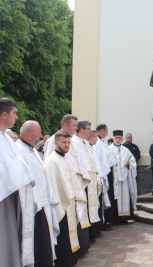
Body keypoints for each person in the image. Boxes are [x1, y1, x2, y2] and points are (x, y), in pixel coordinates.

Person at [17, 121, 60, 267]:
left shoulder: (32, 150)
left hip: (42, 201)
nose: (41, 136)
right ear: (30, 135)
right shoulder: (19, 151)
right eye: (39, 132)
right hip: (32, 204)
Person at [0, 97, 35, 266]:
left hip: (14, 193)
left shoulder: (6, 138)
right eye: (14, 113)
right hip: (4, 195)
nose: (16, 117)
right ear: (4, 114)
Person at [44, 131, 87, 267]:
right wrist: (68, 199)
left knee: (69, 234)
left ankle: (70, 260)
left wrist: (75, 198)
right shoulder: (52, 161)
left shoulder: (65, 159)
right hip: (60, 205)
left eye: (68, 142)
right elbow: (53, 186)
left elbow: (72, 182)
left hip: (69, 203)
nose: (67, 145)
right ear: (56, 143)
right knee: (63, 236)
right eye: (64, 142)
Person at [64, 120, 95, 254]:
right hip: (73, 184)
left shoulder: (81, 142)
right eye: (75, 126)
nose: (76, 128)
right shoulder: (73, 142)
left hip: (82, 181)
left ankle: (84, 243)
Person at [109, 130, 137, 223]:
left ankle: (124, 218)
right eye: (116, 138)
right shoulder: (108, 149)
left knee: (125, 196)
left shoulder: (126, 150)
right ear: (113, 138)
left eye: (119, 138)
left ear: (122, 139)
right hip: (114, 180)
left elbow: (133, 162)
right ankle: (114, 219)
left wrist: (129, 164)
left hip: (124, 179)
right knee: (114, 197)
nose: (117, 139)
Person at [93, 124, 113, 231]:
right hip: (99, 175)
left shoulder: (99, 142)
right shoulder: (97, 144)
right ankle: (101, 223)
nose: (107, 134)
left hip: (102, 174)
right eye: (106, 131)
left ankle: (102, 221)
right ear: (101, 131)